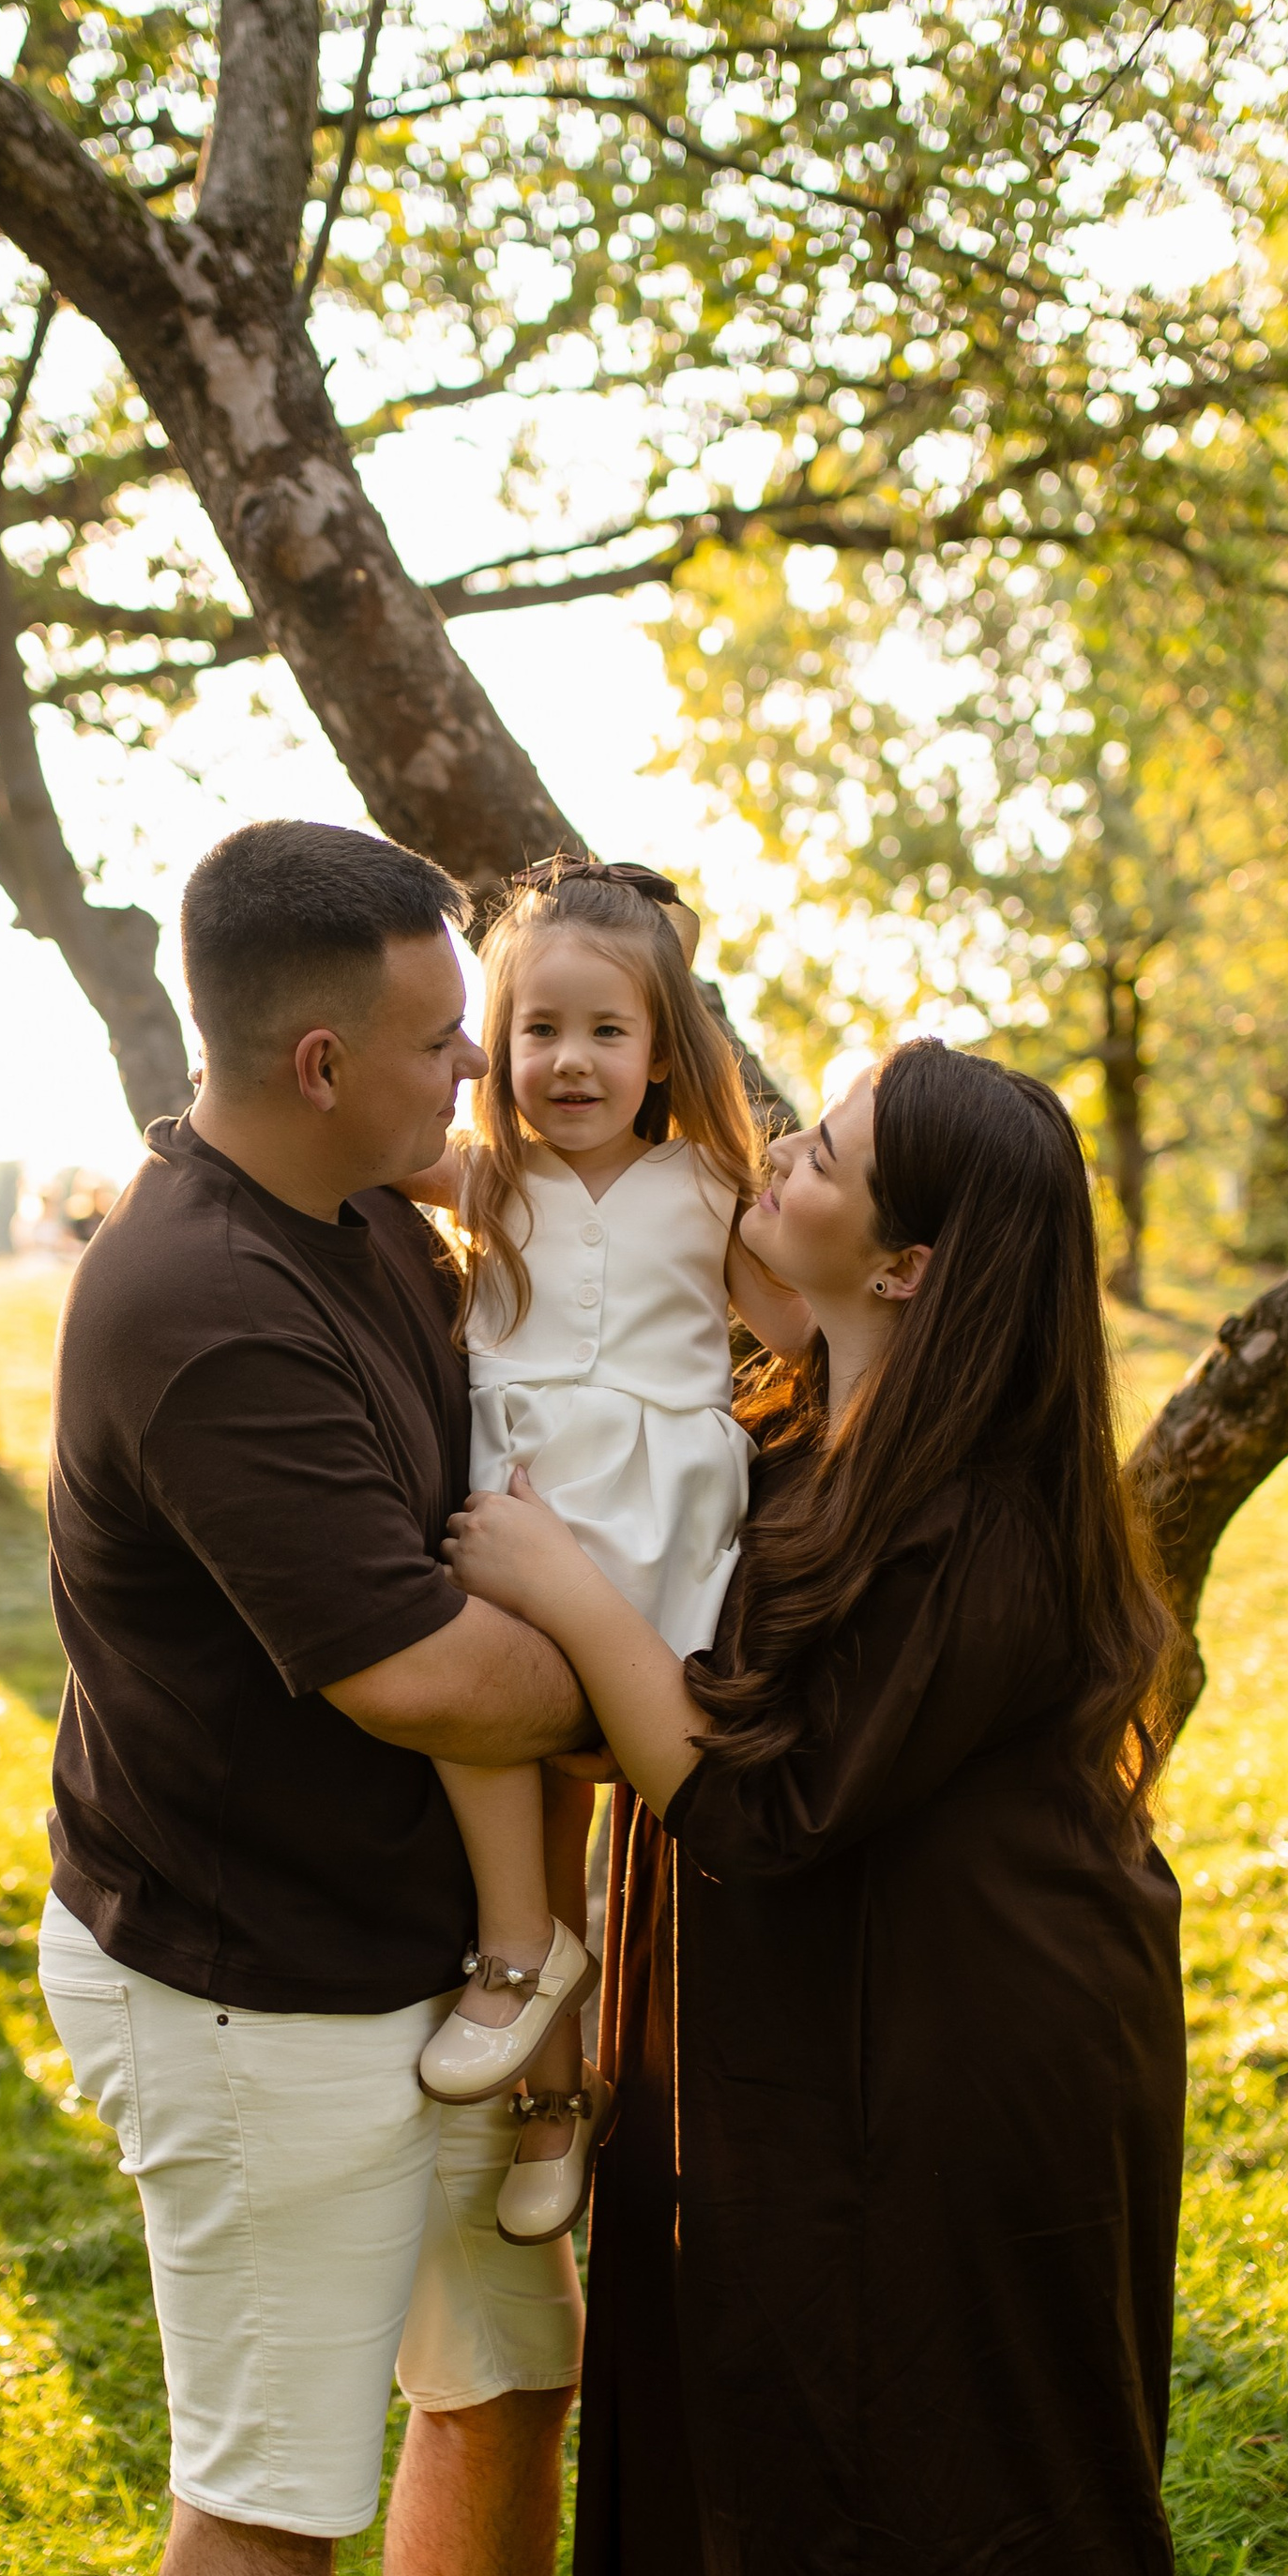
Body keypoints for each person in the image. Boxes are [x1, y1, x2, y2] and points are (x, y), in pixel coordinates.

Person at [37, 819, 737, 2576]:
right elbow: (425, 1675)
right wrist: (652, 1675)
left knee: (499, 2374)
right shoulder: (197, 1305)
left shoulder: (355, 1217)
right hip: (246, 1988)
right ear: (322, 1055)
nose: (482, 1076)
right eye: (448, 1039)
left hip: (418, 1962)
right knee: (266, 2489)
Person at [444, 1040, 1189, 2576]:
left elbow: (760, 1801)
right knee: (914, 2446)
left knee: (1021, 2468)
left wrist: (563, 1592)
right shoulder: (831, 1422)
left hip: (988, 2045)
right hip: (876, 2030)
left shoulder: (979, 1507)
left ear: (914, 1261)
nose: (779, 1156)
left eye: (829, 1155)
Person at [397, 862, 807, 2241]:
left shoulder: (711, 1185)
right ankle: (545, 2067)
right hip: (518, 1502)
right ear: (496, 1045)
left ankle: (561, 2015)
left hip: (655, 1521)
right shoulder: (485, 1177)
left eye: (607, 1031)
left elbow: (804, 1331)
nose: (570, 1061)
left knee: (600, 1792)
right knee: (482, 1721)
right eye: (538, 1030)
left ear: (663, 1051)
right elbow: (345, 1139)